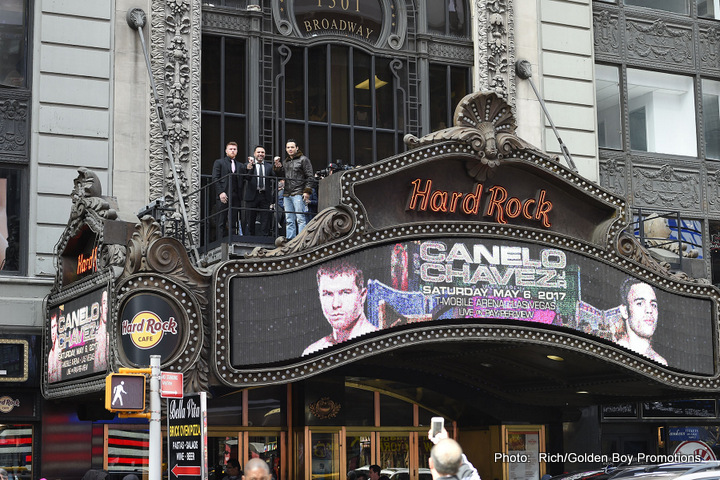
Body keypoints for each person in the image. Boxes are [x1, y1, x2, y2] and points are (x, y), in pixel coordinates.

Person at [303, 260, 377, 356]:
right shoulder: (312, 352)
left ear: (362, 296)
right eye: (328, 294)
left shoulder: (380, 343)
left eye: (345, 292)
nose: (335, 304)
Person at [616, 278, 667, 365]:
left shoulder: (661, 363)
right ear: (624, 311)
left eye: (653, 305)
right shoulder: (616, 352)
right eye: (640, 303)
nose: (649, 310)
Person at [273, 139, 314, 240]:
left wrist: (307, 191)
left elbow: (310, 176)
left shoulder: (303, 159)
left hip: (299, 192)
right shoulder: (285, 162)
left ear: (297, 148)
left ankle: (301, 240)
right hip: (287, 193)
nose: (290, 149)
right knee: (289, 219)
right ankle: (291, 240)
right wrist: (278, 167)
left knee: (300, 218)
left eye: (292, 147)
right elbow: (281, 175)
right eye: (288, 147)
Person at [212, 141, 244, 239]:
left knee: (233, 219)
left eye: (234, 149)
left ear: (237, 151)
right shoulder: (219, 162)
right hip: (223, 194)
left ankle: (232, 238)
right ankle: (220, 241)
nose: (232, 151)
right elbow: (215, 178)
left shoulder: (240, 165)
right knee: (221, 219)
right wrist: (220, 192)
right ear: (226, 151)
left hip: (236, 195)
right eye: (230, 149)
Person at [243, 145, 276, 236]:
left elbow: (276, 176)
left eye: (262, 152)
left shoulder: (269, 166)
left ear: (265, 154)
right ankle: (250, 236)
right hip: (252, 195)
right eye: (258, 152)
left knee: (265, 218)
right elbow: (247, 178)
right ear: (254, 154)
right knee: (251, 218)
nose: (260, 154)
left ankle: (264, 237)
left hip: (264, 195)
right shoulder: (248, 165)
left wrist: (278, 166)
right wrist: (251, 166)